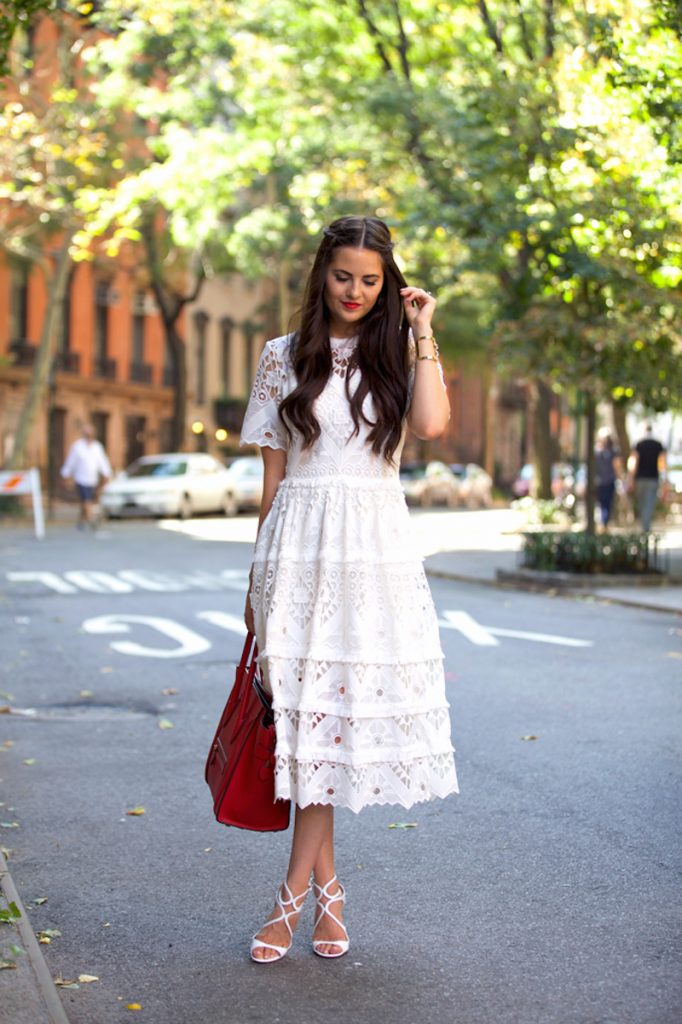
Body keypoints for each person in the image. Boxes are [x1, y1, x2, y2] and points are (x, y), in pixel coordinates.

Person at [240, 215, 458, 963]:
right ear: (320, 275)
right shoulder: (279, 358)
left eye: (371, 279)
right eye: (343, 276)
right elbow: (271, 482)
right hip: (295, 555)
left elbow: (430, 425)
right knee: (308, 730)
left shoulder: (399, 354)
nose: (356, 291)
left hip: (372, 558)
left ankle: (291, 902)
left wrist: (423, 328)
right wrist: (255, 579)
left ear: (389, 283)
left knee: (325, 729)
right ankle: (326, 898)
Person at [60, 423, 112, 529]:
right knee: (86, 500)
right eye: (86, 432)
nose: (88, 434)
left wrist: (106, 474)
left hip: (92, 479)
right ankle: (92, 520)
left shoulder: (97, 447)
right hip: (81, 479)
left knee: (87, 502)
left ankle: (81, 522)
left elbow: (102, 462)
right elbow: (71, 461)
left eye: (90, 432)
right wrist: (65, 474)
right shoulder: (78, 446)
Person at [629, 424, 666, 532]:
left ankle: (645, 526)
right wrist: (665, 477)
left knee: (642, 502)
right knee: (649, 502)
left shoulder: (639, 444)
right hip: (653, 478)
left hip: (640, 478)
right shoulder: (658, 445)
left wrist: (631, 477)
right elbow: (662, 463)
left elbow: (633, 462)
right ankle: (646, 526)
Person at [594, 429, 621, 529]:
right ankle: (604, 523)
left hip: (600, 481)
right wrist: (620, 478)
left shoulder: (597, 451)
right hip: (608, 481)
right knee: (607, 504)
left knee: (602, 504)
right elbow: (617, 466)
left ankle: (603, 523)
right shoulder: (613, 451)